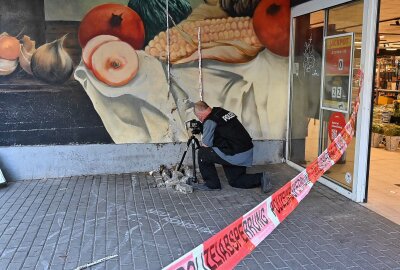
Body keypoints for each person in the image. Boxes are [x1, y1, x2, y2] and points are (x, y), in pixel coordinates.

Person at [191, 101, 272, 193]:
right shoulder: (221, 111)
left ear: (199, 115)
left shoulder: (210, 120)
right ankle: (261, 177)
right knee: (235, 181)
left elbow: (206, 145)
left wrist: (204, 129)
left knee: (203, 153)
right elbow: (223, 131)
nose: (200, 120)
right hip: (244, 150)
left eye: (199, 117)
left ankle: (212, 185)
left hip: (235, 153)